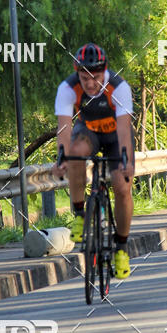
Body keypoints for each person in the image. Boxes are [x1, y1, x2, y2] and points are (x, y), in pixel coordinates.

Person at [53, 43, 134, 280]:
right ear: (76, 72)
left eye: (95, 77)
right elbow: (65, 128)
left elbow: (124, 130)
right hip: (89, 133)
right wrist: (61, 157)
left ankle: (121, 247)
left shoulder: (118, 88)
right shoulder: (68, 88)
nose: (89, 84)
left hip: (115, 137)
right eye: (84, 77)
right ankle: (79, 215)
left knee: (121, 187)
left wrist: (126, 161)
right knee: (75, 151)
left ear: (105, 71)